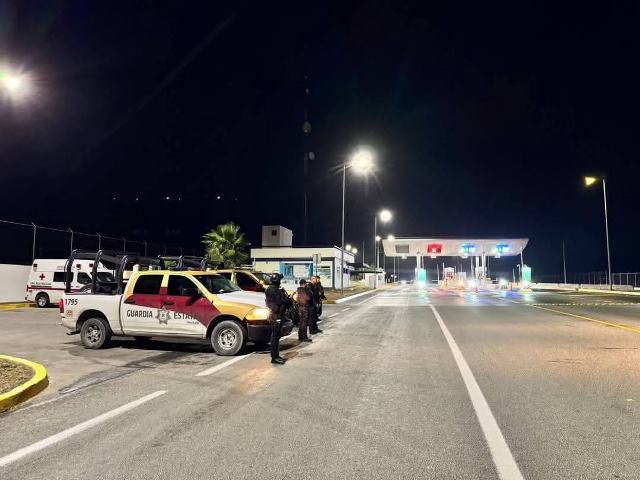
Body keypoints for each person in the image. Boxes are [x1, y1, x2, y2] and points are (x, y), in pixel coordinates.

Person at [265, 273, 291, 364]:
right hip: (275, 315)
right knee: (275, 337)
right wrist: (286, 298)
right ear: (277, 280)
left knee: (276, 336)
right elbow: (280, 301)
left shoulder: (274, 289)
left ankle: (276, 356)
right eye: (279, 279)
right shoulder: (272, 289)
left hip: (277, 314)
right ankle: (274, 357)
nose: (280, 281)